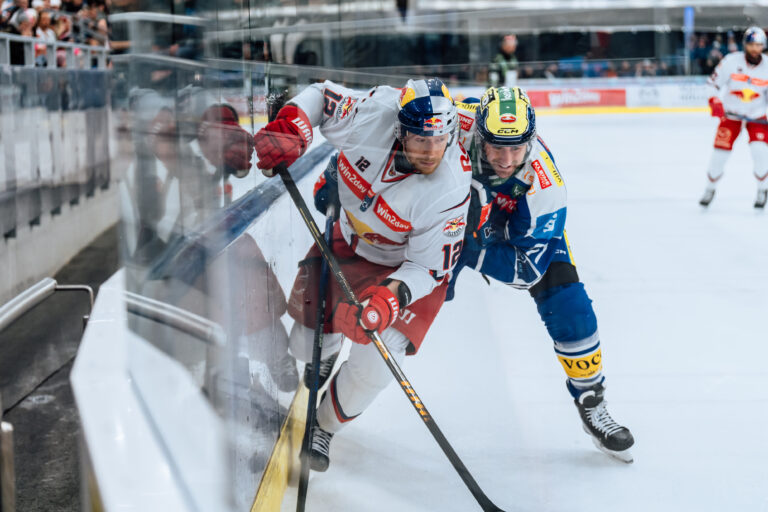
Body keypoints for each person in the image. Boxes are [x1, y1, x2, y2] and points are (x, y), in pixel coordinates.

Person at [253, 78, 472, 471]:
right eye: (420, 139)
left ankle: (324, 427)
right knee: (305, 346)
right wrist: (292, 128)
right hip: (348, 241)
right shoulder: (375, 113)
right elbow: (320, 96)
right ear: (400, 129)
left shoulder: (451, 184)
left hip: (403, 271)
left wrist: (389, 298)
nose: (431, 151)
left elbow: (427, 267)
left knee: (376, 364)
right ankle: (328, 346)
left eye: (440, 139)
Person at [450, 86, 635, 463]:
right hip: (450, 212)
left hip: (517, 230)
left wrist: (471, 250)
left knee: (572, 309)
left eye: (516, 148)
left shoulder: (546, 189)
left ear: (531, 141)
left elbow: (526, 270)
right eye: (496, 147)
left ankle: (590, 399)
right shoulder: (457, 119)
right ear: (479, 135)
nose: (505, 160)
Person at [700, 26, 768, 209]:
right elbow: (711, 84)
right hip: (731, 116)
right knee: (719, 155)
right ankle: (710, 188)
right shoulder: (731, 61)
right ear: (745, 44)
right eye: (751, 44)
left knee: (760, 153)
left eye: (759, 45)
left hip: (757, 117)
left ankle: (763, 189)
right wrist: (714, 100)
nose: (755, 49)